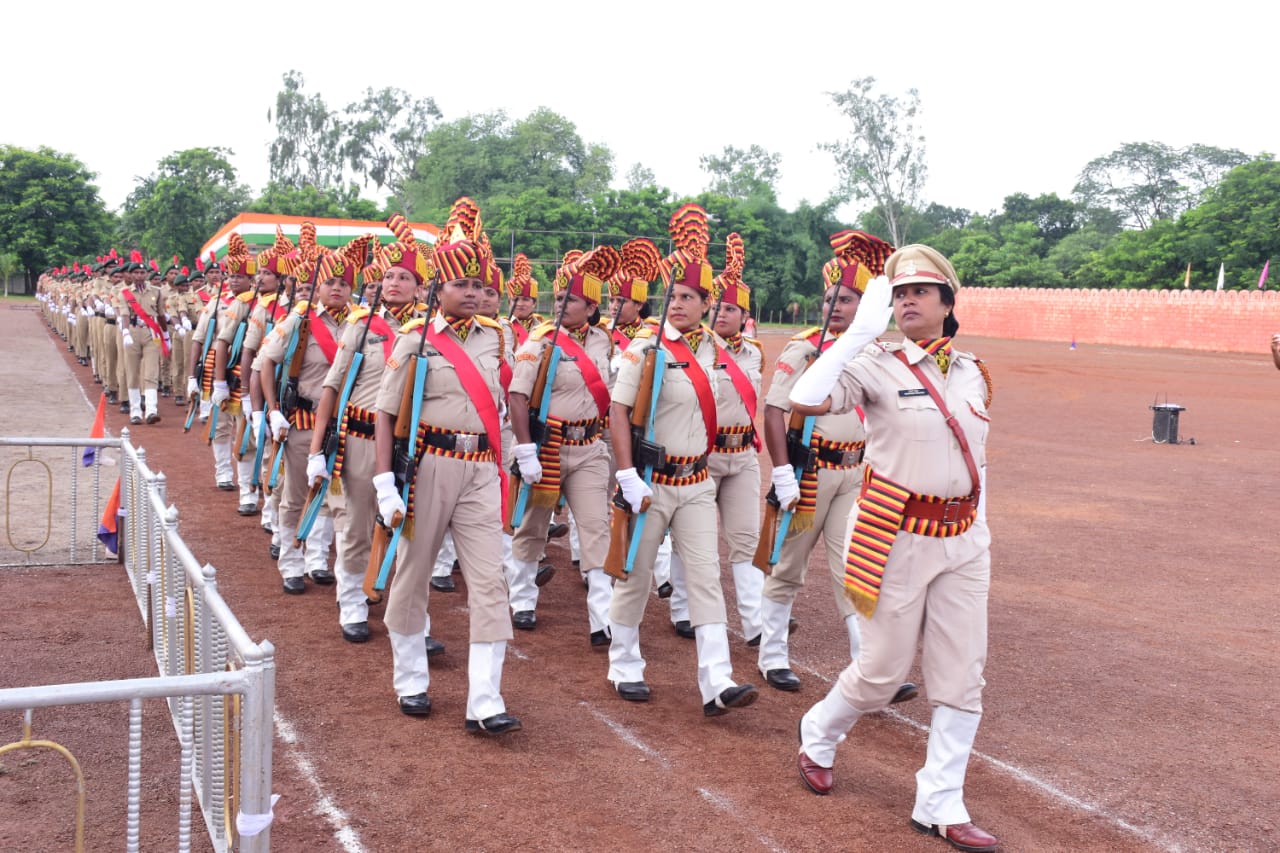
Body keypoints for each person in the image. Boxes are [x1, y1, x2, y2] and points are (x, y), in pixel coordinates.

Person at [790, 244, 998, 853]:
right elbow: (804, 398)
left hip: (963, 538)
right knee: (881, 673)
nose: (906, 300)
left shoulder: (974, 370)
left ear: (947, 303)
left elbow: (974, 457)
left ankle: (940, 802)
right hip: (894, 534)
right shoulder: (875, 365)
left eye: (920, 292)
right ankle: (819, 731)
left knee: (964, 675)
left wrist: (979, 525)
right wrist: (857, 332)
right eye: (898, 293)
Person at [372, 201, 521, 734]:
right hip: (428, 464)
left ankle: (485, 699)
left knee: (489, 581)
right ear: (439, 288)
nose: (475, 294)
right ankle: (411, 679)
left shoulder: (496, 338)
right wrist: (385, 481)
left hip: (479, 466)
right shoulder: (414, 339)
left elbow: (499, 408)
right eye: (464, 285)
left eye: (481, 286)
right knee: (412, 573)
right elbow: (386, 414)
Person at [607, 203, 758, 716]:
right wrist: (626, 475)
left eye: (688, 296)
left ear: (707, 303)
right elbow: (619, 411)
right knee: (636, 571)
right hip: (650, 479)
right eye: (672, 295)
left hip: (697, 481)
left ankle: (717, 680)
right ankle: (624, 663)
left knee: (704, 575)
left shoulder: (720, 351)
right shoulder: (645, 347)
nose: (677, 304)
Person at [758, 231, 915, 701]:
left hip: (855, 474)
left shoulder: (874, 352)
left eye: (846, 299)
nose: (834, 307)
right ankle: (772, 656)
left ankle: (867, 667)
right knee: (788, 565)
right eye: (829, 299)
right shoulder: (806, 348)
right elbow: (774, 411)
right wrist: (782, 472)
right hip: (809, 474)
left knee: (855, 568)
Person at [508, 246, 617, 643]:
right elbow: (517, 397)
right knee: (534, 527)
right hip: (547, 444)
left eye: (568, 299)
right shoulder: (539, 340)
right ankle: (522, 599)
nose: (559, 305)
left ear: (590, 307)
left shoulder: (603, 341)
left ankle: (602, 618)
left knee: (595, 527)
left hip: (589, 447)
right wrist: (526, 450)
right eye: (557, 298)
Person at [258, 246, 351, 595]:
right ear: (318, 286)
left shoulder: (360, 323)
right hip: (302, 417)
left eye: (344, 282)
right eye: (330, 282)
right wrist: (273, 410)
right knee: (296, 493)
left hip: (341, 423)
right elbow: (267, 360)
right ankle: (291, 562)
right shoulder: (301, 320)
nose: (337, 288)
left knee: (333, 496)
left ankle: (316, 559)